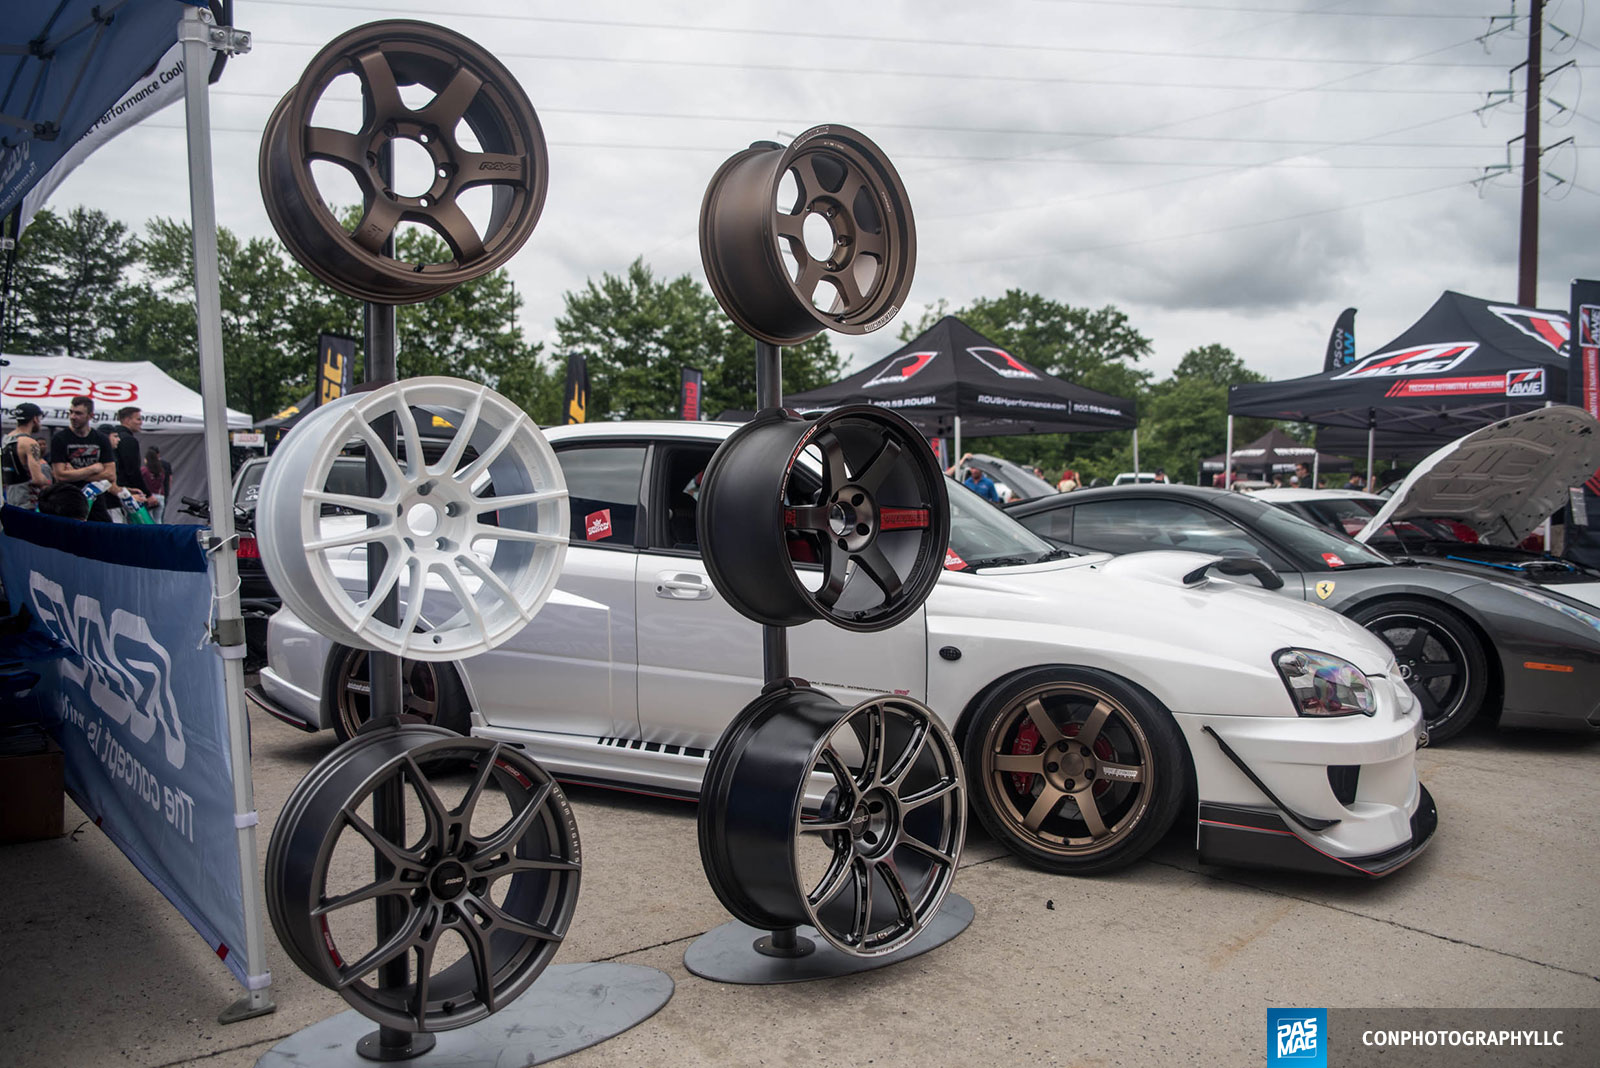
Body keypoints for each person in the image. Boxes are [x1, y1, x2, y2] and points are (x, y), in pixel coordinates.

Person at [49, 395, 117, 522]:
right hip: (68, 498)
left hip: (95, 498)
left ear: (90, 416)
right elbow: (60, 476)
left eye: (78, 413)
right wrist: (93, 468)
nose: (73, 417)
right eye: (71, 412)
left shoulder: (101, 439)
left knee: (103, 532)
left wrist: (74, 473)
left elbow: (111, 475)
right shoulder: (60, 438)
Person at [3, 402, 52, 510]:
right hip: (27, 502)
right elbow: (37, 479)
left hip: (9, 499)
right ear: (35, 419)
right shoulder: (30, 443)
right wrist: (48, 480)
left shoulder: (6, 440)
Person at [113, 407, 149, 507]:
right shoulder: (128, 440)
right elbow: (132, 470)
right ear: (127, 420)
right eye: (138, 419)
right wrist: (146, 493)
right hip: (126, 492)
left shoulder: (114, 436)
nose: (141, 422)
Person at [141, 447, 171, 522]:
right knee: (158, 519)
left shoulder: (144, 470)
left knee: (148, 519)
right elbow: (167, 480)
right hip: (160, 496)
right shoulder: (161, 470)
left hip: (149, 497)